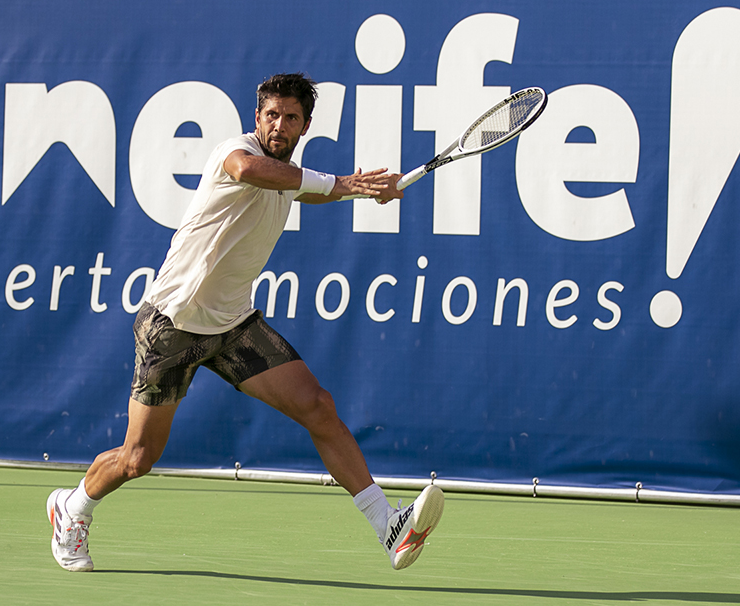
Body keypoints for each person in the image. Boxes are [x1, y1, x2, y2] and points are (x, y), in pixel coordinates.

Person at [47, 73, 444, 573]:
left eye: (291, 117)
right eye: (272, 115)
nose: (280, 124)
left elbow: (304, 191)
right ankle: (72, 507)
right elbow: (252, 170)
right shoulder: (235, 154)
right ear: (257, 117)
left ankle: (387, 524)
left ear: (305, 125)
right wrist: (344, 182)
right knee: (138, 458)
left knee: (317, 406)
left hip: (233, 325)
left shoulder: (290, 175)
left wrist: (360, 192)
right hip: (173, 323)